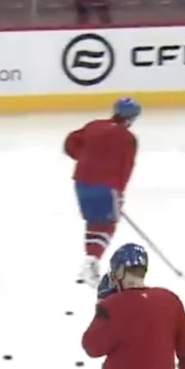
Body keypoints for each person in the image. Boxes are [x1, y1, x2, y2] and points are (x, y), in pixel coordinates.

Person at [64, 97, 140, 285]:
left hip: (81, 181)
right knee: (107, 224)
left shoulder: (94, 125)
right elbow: (126, 168)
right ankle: (91, 263)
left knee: (93, 222)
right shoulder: (128, 139)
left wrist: (84, 158)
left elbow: (70, 143)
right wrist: (120, 193)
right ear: (131, 118)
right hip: (106, 186)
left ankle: (89, 264)